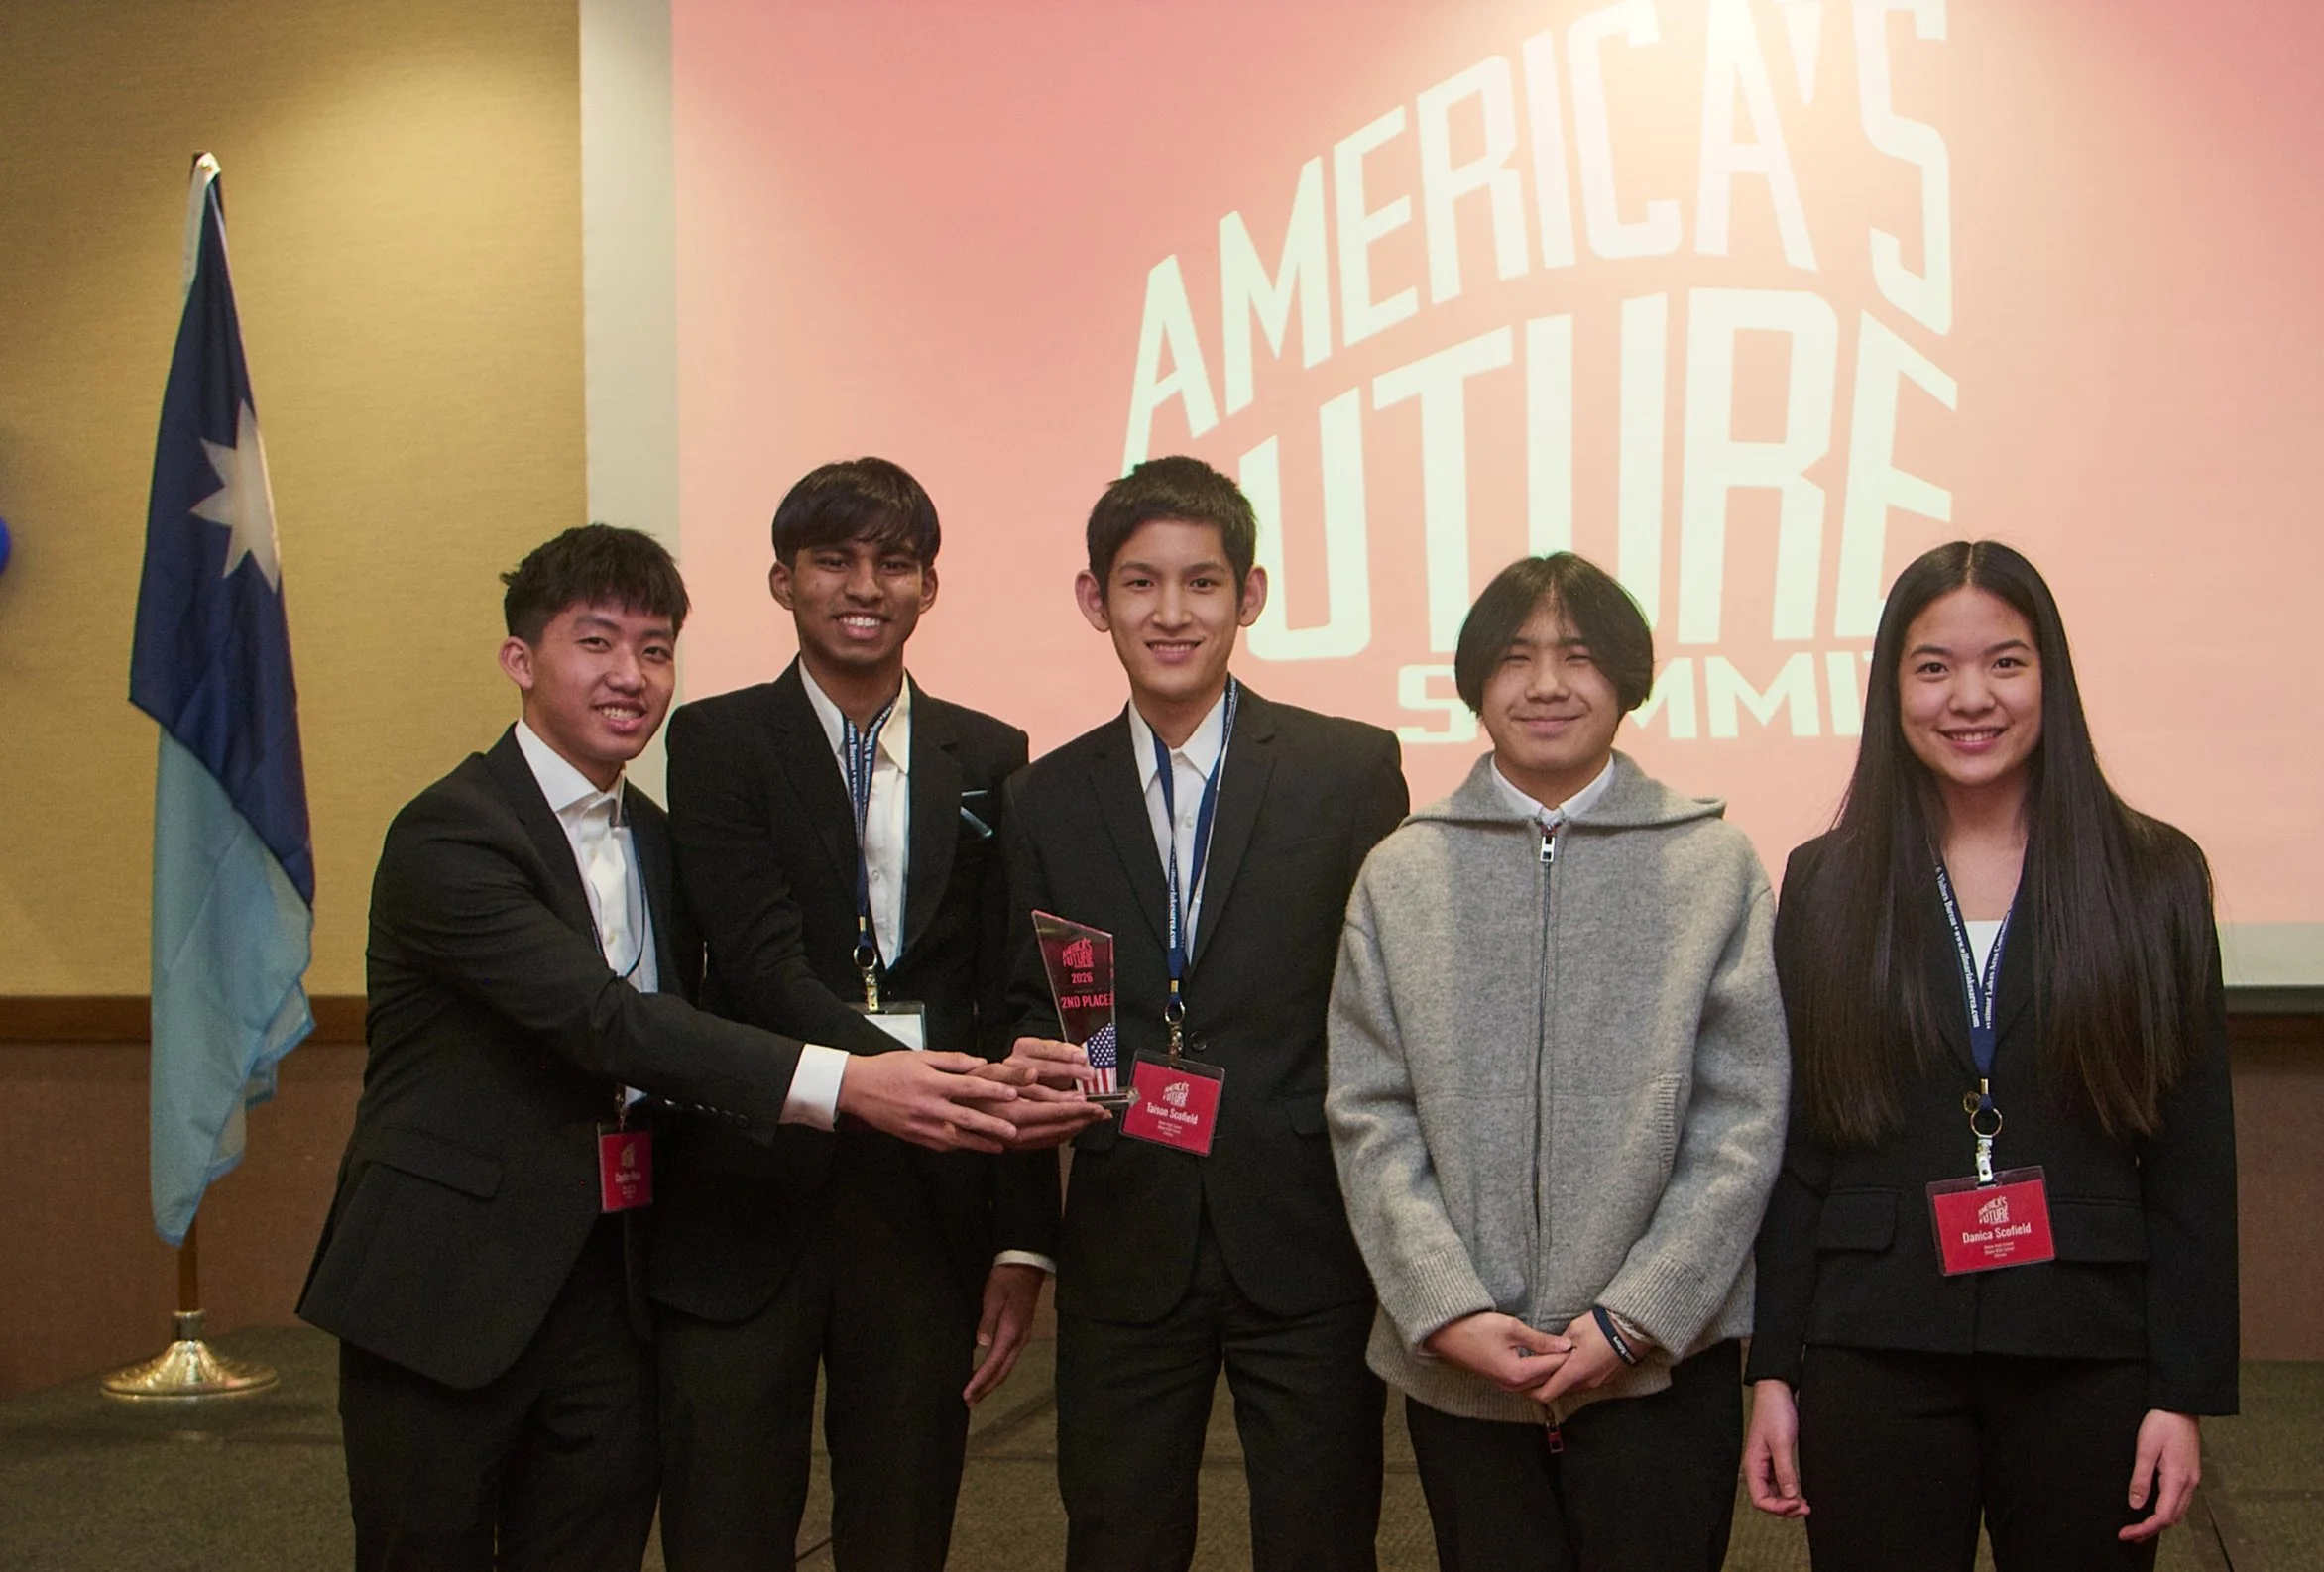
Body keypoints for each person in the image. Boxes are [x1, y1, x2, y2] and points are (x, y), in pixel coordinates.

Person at [298, 524, 1030, 1571]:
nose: (630, 677)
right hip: (450, 1281)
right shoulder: (452, 833)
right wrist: (850, 1081)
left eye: (654, 650)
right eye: (595, 643)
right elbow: (607, 1020)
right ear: (520, 660)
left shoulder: (655, 834)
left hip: (614, 1283)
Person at [1742, 540, 2239, 1570]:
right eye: (1933, 667)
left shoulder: (2152, 874)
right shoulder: (1827, 882)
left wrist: (2182, 1390)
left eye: (2005, 663)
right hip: (1873, 1337)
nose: (1970, 697)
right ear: (1892, 689)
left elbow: (2193, 1154)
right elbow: (1797, 1146)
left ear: (2050, 675)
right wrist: (1774, 1368)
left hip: (2086, 1342)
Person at [649, 459, 1103, 1571]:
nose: (864, 587)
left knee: (901, 1526)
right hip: (746, 1192)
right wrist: (908, 1077)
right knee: (725, 1526)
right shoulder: (715, 741)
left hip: (923, 1209)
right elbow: (757, 966)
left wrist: (1021, 1237)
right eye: (833, 560)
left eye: (894, 563)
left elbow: (1002, 995)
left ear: (929, 587)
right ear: (782, 580)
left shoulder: (988, 755)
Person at [1325, 552, 1791, 1572]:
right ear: (1473, 682)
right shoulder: (1402, 870)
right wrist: (1446, 1307)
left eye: (1577, 656)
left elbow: (1741, 1119)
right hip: (1464, 1367)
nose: (1545, 684)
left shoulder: (1712, 865)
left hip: (1661, 1366)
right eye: (1514, 657)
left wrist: (1636, 1316)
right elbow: (1369, 1113)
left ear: (1626, 678)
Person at [999, 456, 1409, 1572]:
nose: (1171, 612)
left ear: (1250, 595)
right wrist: (1038, 1071)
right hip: (1126, 1229)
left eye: (1202, 582)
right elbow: (1042, 998)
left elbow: (1389, 1003)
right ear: (1095, 600)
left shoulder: (1347, 770)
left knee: (1322, 1540)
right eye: (1140, 583)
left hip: (1306, 1232)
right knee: (1116, 1536)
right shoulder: (1044, 798)